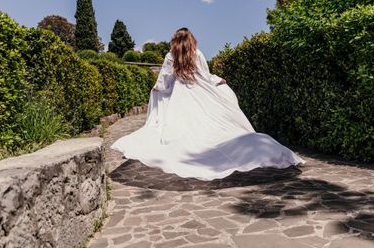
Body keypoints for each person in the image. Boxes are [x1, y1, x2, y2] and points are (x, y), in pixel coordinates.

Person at [111, 27, 305, 180]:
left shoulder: (170, 56)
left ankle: (187, 154)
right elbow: (204, 76)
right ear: (191, 40)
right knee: (210, 125)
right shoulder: (198, 54)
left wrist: (157, 89)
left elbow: (164, 80)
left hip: (181, 95)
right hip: (201, 92)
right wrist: (218, 80)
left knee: (183, 127)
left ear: (175, 41)